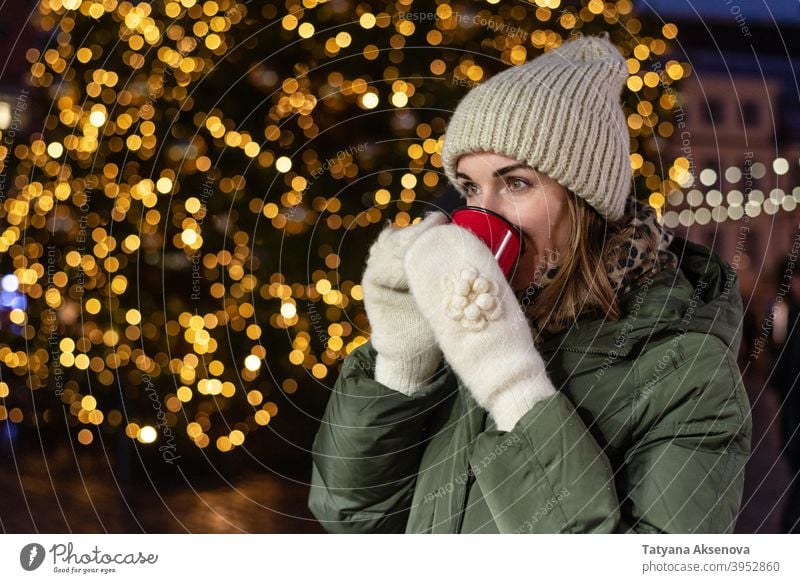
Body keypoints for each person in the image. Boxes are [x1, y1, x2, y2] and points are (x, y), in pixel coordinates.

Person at [307, 34, 752, 533]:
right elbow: (355, 520)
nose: (483, 213)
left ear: (586, 201)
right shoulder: (473, 320)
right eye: (471, 187)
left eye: (516, 183)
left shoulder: (687, 372)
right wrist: (403, 362)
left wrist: (513, 388)